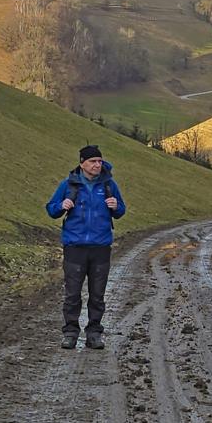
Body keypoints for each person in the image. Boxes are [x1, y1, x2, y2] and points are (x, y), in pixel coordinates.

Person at [46, 145, 127, 350]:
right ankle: (71, 333)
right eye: (93, 161)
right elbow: (51, 209)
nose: (97, 165)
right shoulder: (69, 185)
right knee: (72, 293)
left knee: (97, 294)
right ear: (82, 163)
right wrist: (60, 206)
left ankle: (94, 333)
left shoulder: (109, 185)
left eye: (99, 161)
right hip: (75, 247)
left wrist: (116, 206)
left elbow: (121, 210)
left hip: (100, 247)